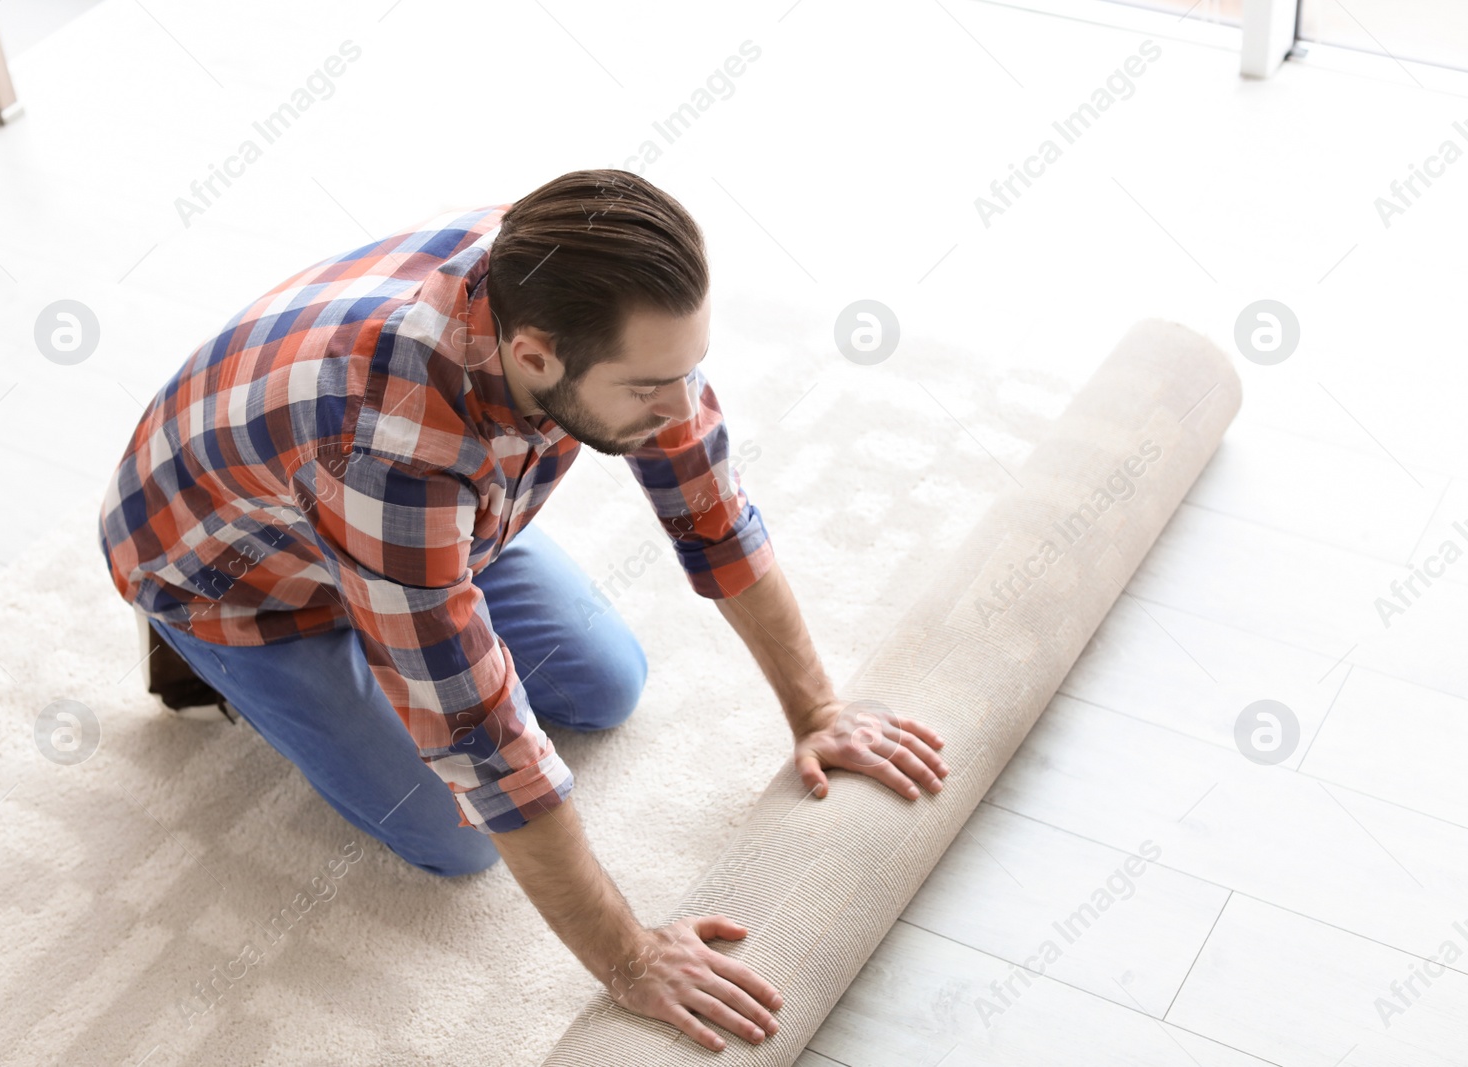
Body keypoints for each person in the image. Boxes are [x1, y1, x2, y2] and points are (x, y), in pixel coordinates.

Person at [97, 168, 949, 1052]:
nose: (683, 403)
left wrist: (818, 710)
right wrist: (628, 958)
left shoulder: (581, 276)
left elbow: (713, 511)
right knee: (457, 834)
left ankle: (404, 605)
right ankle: (222, 666)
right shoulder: (390, 449)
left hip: (408, 528)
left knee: (609, 683)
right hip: (238, 579)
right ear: (537, 353)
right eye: (652, 385)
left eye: (688, 369)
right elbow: (483, 738)